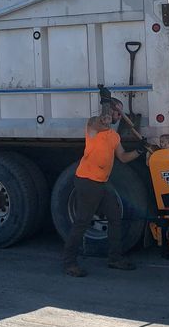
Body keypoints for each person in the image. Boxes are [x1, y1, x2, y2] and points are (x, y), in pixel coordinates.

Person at [61, 98, 142, 277]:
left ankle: (115, 258)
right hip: (87, 181)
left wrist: (139, 151)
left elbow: (123, 157)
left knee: (115, 217)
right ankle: (69, 263)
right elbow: (100, 121)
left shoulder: (114, 136)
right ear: (109, 111)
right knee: (82, 222)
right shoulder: (93, 127)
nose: (119, 116)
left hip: (102, 182)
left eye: (120, 113)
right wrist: (106, 105)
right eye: (117, 112)